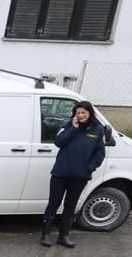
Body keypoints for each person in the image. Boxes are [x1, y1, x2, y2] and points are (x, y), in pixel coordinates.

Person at [43, 100, 115, 248]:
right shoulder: (68, 126)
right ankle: (46, 235)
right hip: (60, 173)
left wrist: (89, 168)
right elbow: (59, 142)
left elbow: (99, 154)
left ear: (90, 114)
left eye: (83, 113)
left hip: (80, 175)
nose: (80, 115)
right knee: (53, 203)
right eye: (78, 113)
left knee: (70, 206)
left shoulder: (98, 130)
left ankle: (64, 236)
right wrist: (74, 128)